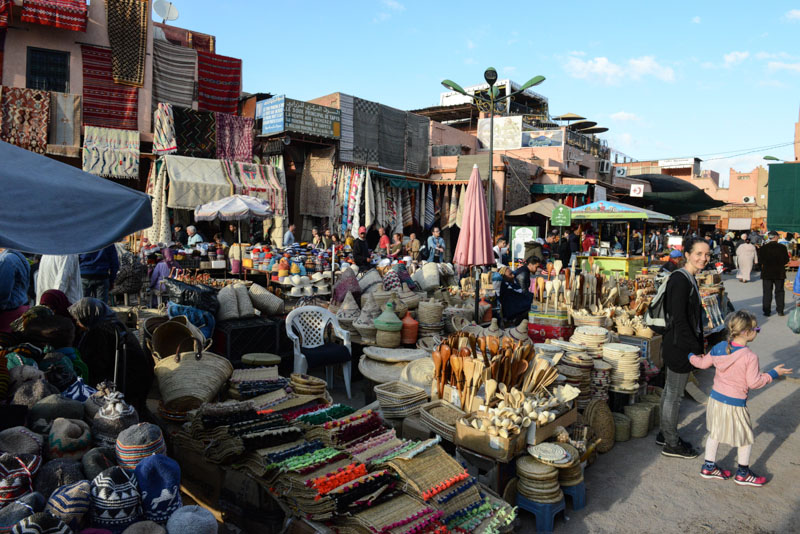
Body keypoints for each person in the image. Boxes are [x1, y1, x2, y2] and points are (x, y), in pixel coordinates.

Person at [689, 310, 792, 486]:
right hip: (735, 404)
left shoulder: (720, 347)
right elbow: (754, 383)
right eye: (756, 329)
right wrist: (773, 373)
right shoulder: (749, 357)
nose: (757, 332)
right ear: (746, 332)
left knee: (715, 433)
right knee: (745, 438)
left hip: (716, 400)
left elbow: (701, 364)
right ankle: (743, 473)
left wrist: (690, 356)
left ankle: (709, 466)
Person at [658, 237, 710, 459]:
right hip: (679, 345)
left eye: (706, 254)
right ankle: (671, 443)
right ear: (687, 254)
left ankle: (664, 433)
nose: (703, 258)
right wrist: (695, 348)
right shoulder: (681, 280)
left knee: (670, 391)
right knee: (674, 395)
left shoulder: (689, 278)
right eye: (698, 253)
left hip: (677, 342)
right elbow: (679, 319)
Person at [69, 298, 154, 411]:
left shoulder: (100, 331)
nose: (77, 323)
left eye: (78, 320)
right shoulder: (111, 322)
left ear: (87, 316)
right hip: (138, 378)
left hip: (128, 382)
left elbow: (97, 365)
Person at [758, 231, 790, 316]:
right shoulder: (782, 247)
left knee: (767, 292)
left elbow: (760, 261)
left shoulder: (763, 248)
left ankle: (766, 311)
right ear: (775, 237)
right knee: (779, 291)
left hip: (767, 273)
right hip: (779, 272)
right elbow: (786, 260)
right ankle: (780, 310)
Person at [0, 249, 31, 334]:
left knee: (6, 342)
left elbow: (2, 291)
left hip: (10, 311)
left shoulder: (6, 259)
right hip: (20, 306)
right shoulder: (16, 256)